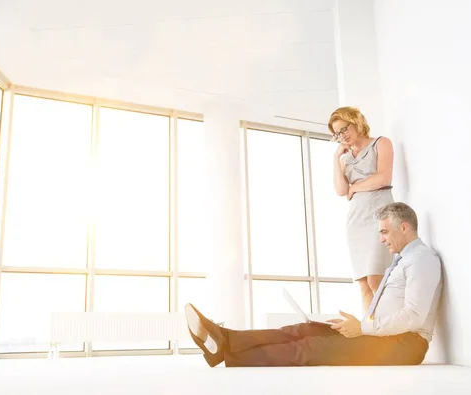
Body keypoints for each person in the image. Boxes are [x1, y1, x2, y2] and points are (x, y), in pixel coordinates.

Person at [184, 202, 442, 367]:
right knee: (303, 329)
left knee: (310, 348)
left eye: (384, 232)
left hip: (405, 345)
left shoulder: (422, 260)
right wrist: (358, 326)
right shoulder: (402, 261)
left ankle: (227, 354)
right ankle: (225, 338)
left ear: (405, 227)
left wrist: (363, 327)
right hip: (382, 334)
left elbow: (412, 317)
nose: (381, 239)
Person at [329, 106, 395, 316]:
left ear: (355, 122)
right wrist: (335, 158)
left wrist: (356, 187)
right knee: (364, 285)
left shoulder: (381, 143)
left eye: (344, 129)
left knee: (377, 278)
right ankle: (370, 334)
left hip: (380, 214)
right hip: (356, 220)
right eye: (337, 134)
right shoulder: (345, 158)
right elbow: (341, 190)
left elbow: (383, 178)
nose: (342, 136)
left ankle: (389, 329)